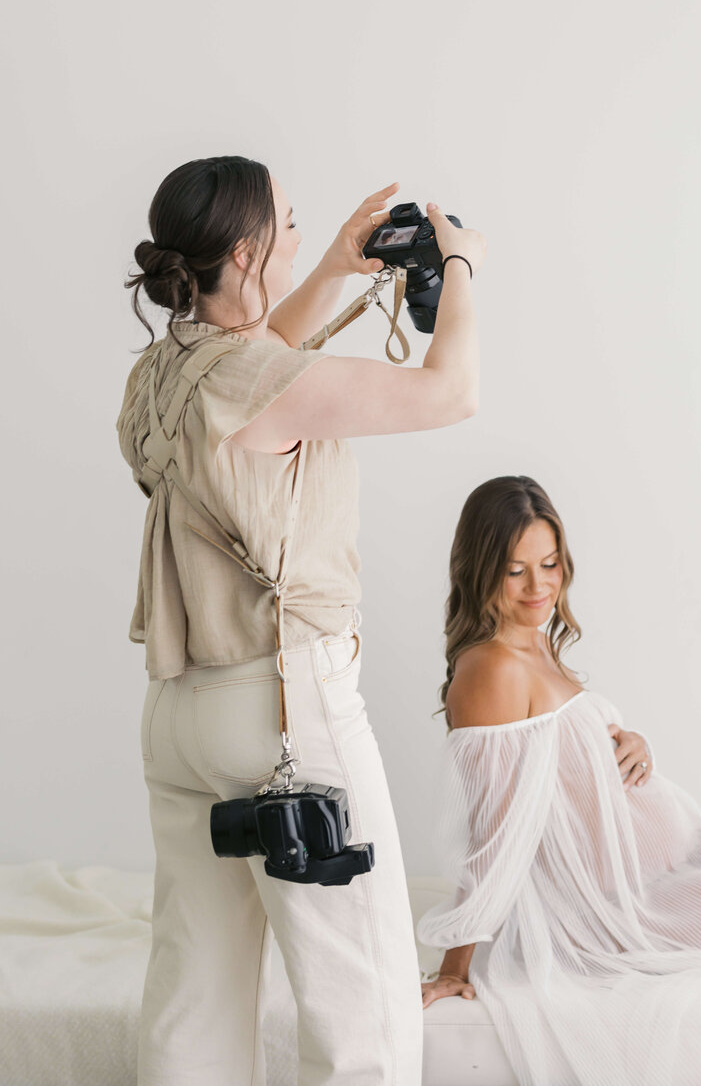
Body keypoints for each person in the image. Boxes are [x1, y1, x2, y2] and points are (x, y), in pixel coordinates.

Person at [116, 154, 485, 1086]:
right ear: (244, 252)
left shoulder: (159, 374)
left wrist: (331, 269)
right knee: (365, 1014)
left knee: (194, 1001)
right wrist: (460, 265)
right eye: (287, 223)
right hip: (284, 712)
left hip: (181, 718)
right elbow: (451, 391)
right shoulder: (261, 380)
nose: (297, 233)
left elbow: (252, 353)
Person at [418, 476, 701, 1086]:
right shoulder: (491, 668)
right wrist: (455, 965)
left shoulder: (535, 645)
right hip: (626, 907)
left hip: (679, 856)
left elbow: (561, 763)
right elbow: (494, 833)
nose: (539, 587)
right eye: (516, 571)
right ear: (480, 570)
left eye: (549, 564)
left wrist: (628, 743)